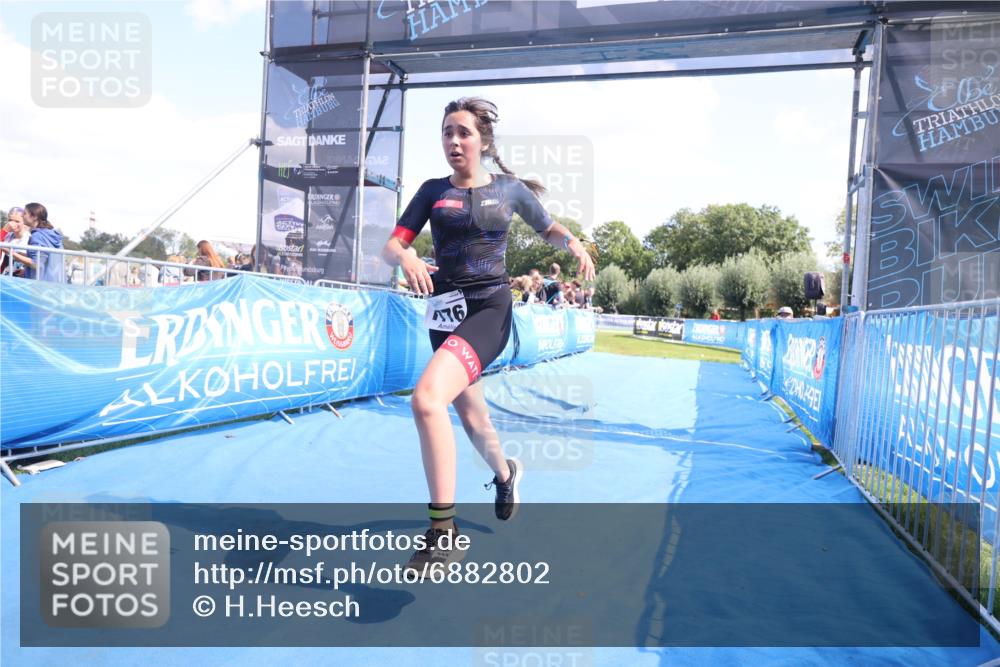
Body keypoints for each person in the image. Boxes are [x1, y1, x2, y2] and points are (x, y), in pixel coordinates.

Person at [381, 97, 595, 571]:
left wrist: (575, 243)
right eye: (446, 133)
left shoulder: (510, 190)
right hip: (444, 312)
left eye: (463, 133)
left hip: (489, 310)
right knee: (475, 421)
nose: (453, 142)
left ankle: (443, 531)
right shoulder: (432, 191)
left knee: (426, 400)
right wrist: (409, 256)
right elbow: (392, 245)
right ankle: (506, 473)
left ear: (482, 141)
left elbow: (550, 229)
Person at [9, 203, 65, 282]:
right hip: (55, 283)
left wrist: (10, 252)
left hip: (41, 287)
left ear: (34, 217)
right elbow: (43, 257)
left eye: (25, 213)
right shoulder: (50, 233)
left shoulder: (38, 236)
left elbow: (36, 264)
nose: (22, 215)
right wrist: (26, 272)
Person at [0, 207, 30, 276]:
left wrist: (26, 271)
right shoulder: (7, 236)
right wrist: (4, 231)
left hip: (20, 279)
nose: (12, 224)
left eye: (17, 221)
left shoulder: (30, 238)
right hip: (4, 276)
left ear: (24, 222)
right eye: (10, 220)